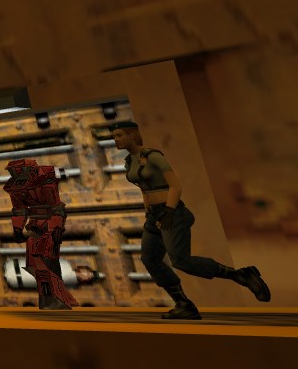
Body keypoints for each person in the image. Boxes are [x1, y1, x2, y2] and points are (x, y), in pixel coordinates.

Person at [111, 119, 269, 318]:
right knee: (150, 258)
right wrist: (148, 212)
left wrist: (169, 211)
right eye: (114, 137)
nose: (116, 140)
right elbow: (145, 190)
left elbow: (175, 186)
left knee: (181, 260)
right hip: (154, 215)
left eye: (119, 135)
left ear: (132, 135)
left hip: (172, 213)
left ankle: (240, 275)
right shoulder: (129, 161)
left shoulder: (153, 156)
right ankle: (184, 304)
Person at [2, 158, 80, 309]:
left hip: (49, 224)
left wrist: (55, 229)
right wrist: (17, 228)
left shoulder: (44, 180)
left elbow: (56, 207)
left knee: (48, 264)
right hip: (36, 225)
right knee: (35, 264)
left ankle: (58, 301)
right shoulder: (15, 186)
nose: (15, 173)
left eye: (17, 170)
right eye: (13, 171)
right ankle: (49, 301)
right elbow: (19, 209)